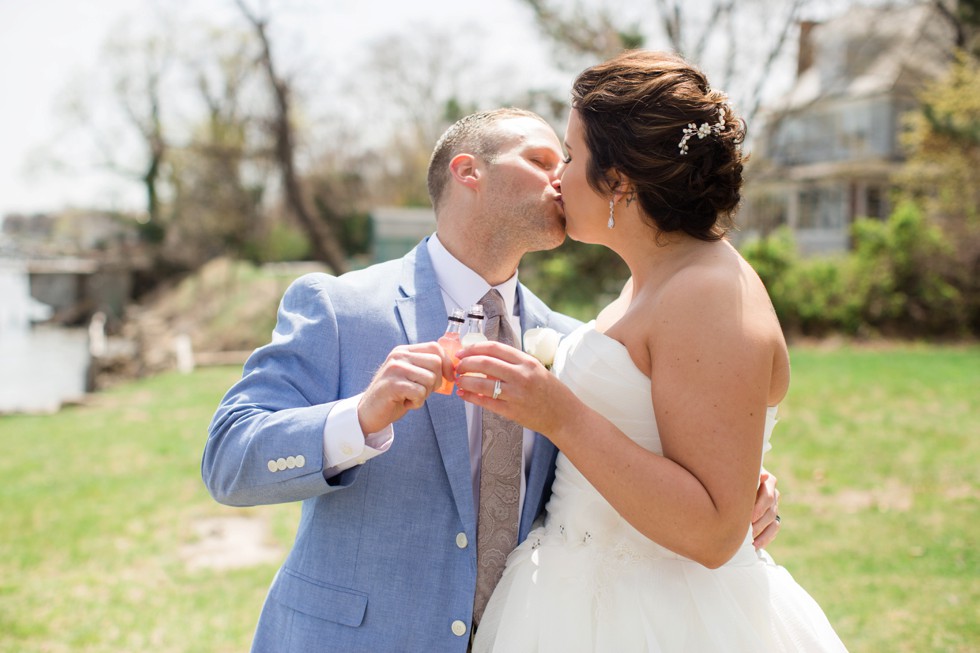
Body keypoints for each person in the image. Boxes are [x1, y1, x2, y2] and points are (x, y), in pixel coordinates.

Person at [203, 107, 781, 652]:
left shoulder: (577, 344)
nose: (563, 179)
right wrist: (356, 419)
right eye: (540, 160)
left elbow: (627, 463)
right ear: (468, 171)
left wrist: (734, 484)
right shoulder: (339, 307)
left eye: (567, 161)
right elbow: (229, 460)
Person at [455, 51, 848, 652]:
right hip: (572, 596)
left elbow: (716, 532)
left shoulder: (709, 293)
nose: (557, 176)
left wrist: (556, 411)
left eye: (569, 154)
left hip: (660, 618)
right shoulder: (655, 277)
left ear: (619, 180)